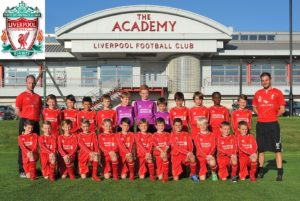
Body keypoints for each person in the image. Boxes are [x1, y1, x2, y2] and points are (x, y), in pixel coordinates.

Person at [253, 72, 285, 181]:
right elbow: (254, 108)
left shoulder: (277, 92)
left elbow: (282, 109)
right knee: (260, 149)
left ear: (270, 79)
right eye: (262, 80)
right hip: (261, 124)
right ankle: (261, 171)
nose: (264, 82)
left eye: (266, 80)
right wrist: (261, 115)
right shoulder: (257, 93)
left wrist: (274, 116)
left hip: (273, 125)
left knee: (277, 149)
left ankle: (280, 173)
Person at [15, 75, 42, 178]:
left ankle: (32, 168)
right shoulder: (21, 96)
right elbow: (17, 110)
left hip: (35, 123)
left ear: (35, 83)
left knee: (35, 147)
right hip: (25, 123)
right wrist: (25, 121)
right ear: (26, 83)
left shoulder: (38, 97)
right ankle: (22, 169)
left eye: (33, 82)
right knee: (23, 146)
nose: (31, 84)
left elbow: (40, 111)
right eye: (29, 82)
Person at [153, 118, 170, 182]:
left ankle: (166, 176)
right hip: (158, 154)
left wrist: (164, 151)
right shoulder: (154, 135)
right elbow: (156, 146)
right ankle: (158, 173)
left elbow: (168, 144)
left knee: (165, 157)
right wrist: (162, 151)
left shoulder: (168, 134)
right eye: (159, 125)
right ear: (156, 126)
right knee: (160, 177)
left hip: (165, 154)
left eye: (162, 125)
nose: (161, 127)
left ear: (164, 125)